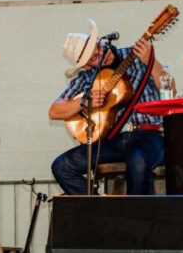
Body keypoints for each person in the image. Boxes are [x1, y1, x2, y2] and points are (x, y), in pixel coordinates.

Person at [49, 19, 166, 196]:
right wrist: (84, 102)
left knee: (139, 162)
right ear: (87, 65)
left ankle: (140, 221)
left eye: (98, 45)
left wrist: (152, 63)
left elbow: (169, 88)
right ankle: (104, 211)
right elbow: (55, 110)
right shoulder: (86, 77)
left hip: (147, 135)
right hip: (112, 141)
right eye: (94, 57)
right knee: (62, 166)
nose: (102, 52)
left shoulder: (136, 55)